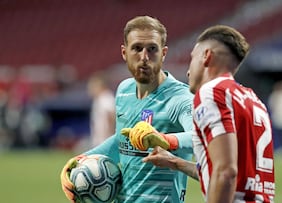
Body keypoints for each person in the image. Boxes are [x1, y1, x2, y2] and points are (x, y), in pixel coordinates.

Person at [60, 15, 194, 203]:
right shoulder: (124, 91)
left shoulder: (180, 98)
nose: (144, 57)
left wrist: (165, 140)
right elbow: (120, 140)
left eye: (152, 49)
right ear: (124, 52)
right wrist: (81, 159)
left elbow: (201, 136)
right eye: (137, 48)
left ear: (164, 53)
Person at [142, 25, 276, 203]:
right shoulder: (252, 99)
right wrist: (176, 162)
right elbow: (228, 173)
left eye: (192, 59)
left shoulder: (212, 92)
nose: (188, 71)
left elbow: (226, 172)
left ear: (206, 56)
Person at [87, 72, 116, 147]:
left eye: (93, 86)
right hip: (100, 140)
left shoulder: (106, 97)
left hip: (106, 140)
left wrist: (111, 135)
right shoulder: (98, 99)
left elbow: (112, 115)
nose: (90, 89)